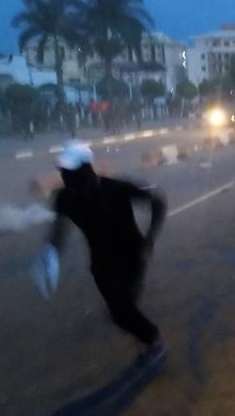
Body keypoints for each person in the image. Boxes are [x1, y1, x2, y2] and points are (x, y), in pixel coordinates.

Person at [45, 142, 168, 362]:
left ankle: (154, 341)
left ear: (86, 168)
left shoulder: (116, 188)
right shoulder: (64, 198)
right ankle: (138, 328)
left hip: (131, 255)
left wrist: (150, 238)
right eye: (63, 171)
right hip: (101, 263)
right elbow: (58, 228)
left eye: (70, 171)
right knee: (120, 312)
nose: (65, 176)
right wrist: (51, 254)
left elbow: (157, 202)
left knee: (122, 312)